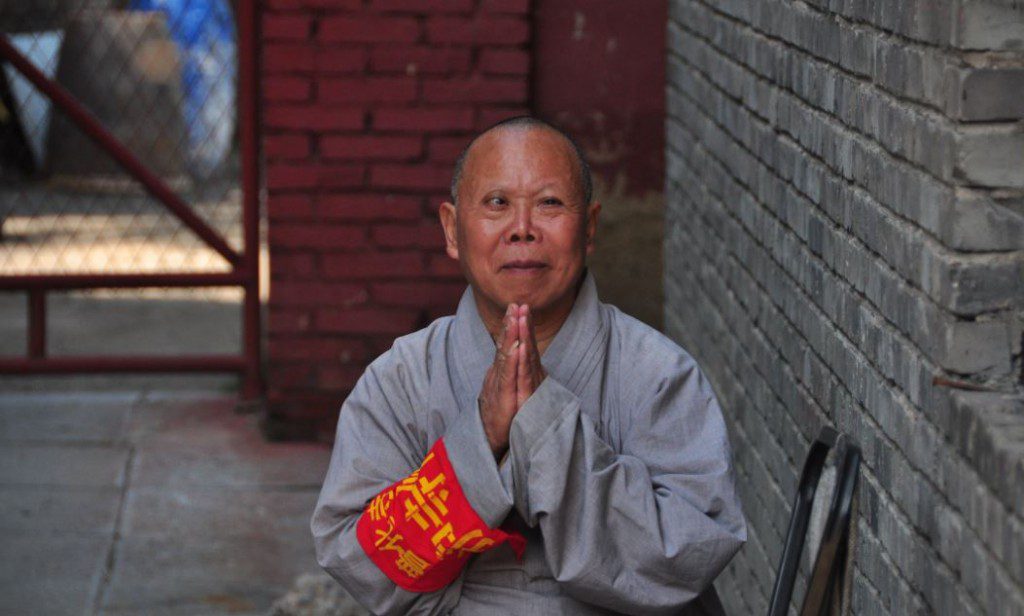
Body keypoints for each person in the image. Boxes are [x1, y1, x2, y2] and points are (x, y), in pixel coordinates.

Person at [310, 116, 746, 615]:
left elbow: (689, 556)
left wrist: (544, 429)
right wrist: (479, 443)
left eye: (550, 204)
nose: (522, 229)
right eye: (497, 204)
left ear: (589, 229)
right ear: (453, 230)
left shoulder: (658, 375)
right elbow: (357, 555)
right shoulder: (400, 380)